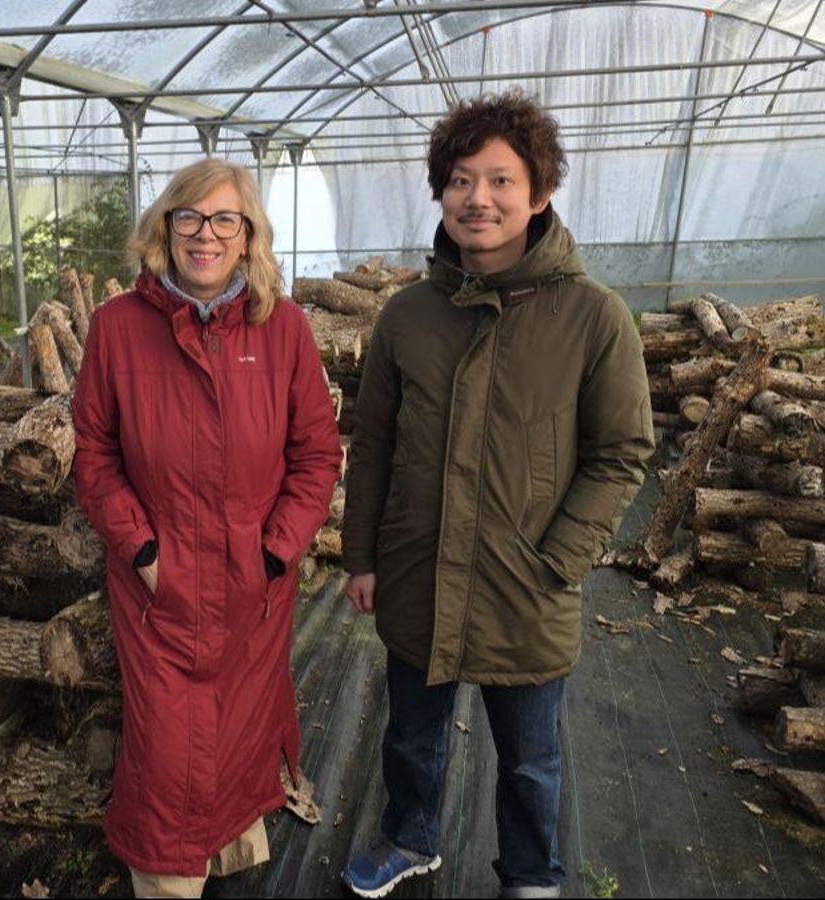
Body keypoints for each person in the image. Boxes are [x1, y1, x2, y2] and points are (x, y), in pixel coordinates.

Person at [340, 92, 655, 898]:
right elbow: (372, 442)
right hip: (417, 566)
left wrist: (560, 562)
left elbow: (621, 453)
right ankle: (410, 838)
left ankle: (530, 873)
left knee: (532, 756)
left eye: (501, 180)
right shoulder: (408, 315)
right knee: (411, 734)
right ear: (440, 192)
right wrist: (365, 556)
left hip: (527, 580)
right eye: (460, 179)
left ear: (540, 194)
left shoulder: (594, 318)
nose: (478, 198)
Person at [72, 158, 343, 898]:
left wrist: (277, 550)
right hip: (160, 583)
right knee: (166, 747)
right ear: (164, 228)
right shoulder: (118, 328)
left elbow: (316, 454)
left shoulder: (281, 329)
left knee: (239, 730)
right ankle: (167, 882)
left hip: (252, 581)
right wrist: (143, 548)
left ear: (248, 234)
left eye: (226, 219)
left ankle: (225, 858)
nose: (205, 235)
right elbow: (93, 454)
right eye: (189, 218)